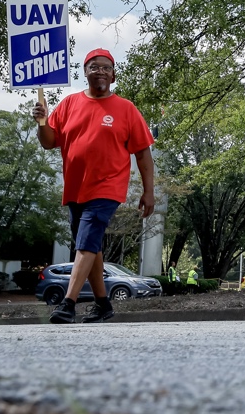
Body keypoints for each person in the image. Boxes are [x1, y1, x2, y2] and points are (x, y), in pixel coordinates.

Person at [33, 48, 155, 324]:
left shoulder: (126, 108)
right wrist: (41, 122)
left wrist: (149, 192)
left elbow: (143, 153)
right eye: (93, 66)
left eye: (105, 67)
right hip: (76, 188)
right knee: (91, 245)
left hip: (107, 187)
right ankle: (102, 303)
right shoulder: (68, 104)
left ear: (113, 75)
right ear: (84, 72)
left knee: (86, 242)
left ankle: (68, 303)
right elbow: (48, 141)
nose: (100, 71)